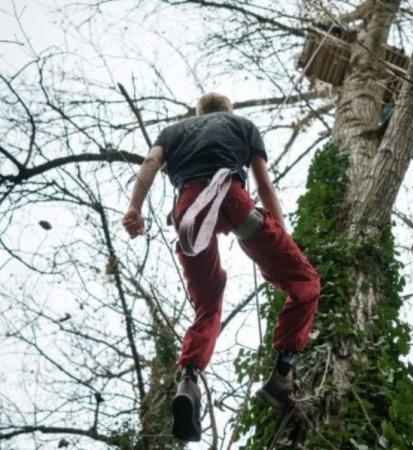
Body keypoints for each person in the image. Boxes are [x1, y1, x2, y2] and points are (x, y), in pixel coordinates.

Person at [121, 93, 321, 442]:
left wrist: (134, 208)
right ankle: (282, 373)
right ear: (228, 110)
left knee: (207, 303)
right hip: (233, 201)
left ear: (196, 113)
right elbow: (262, 183)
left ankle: (189, 377)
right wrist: (281, 237)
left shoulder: (173, 132)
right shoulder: (242, 125)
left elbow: (150, 163)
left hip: (188, 215)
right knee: (305, 283)